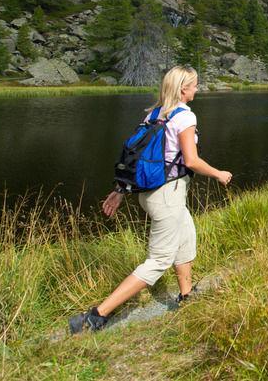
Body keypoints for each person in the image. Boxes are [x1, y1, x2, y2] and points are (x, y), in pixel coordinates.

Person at [69, 65, 233, 333]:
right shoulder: (185, 117)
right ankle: (95, 317)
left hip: (153, 194)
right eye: (194, 84)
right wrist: (218, 174)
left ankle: (186, 296)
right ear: (183, 89)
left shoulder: (156, 114)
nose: (197, 89)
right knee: (158, 261)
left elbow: (137, 156)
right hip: (167, 196)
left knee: (186, 239)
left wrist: (120, 190)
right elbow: (191, 160)